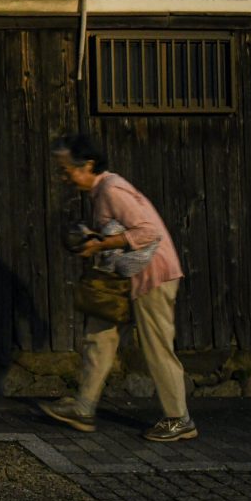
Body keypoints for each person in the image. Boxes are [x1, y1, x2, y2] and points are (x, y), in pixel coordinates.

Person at [40, 132, 197, 442]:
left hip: (153, 275)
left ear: (86, 165)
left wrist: (100, 244)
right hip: (126, 277)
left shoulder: (112, 189)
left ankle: (180, 418)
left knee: (157, 345)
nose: (63, 177)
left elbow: (148, 232)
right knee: (99, 336)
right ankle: (83, 408)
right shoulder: (101, 191)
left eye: (66, 169)